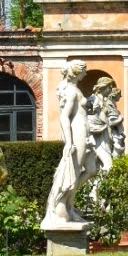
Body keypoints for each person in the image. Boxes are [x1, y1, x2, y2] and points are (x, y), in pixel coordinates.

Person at [42, 59, 92, 227]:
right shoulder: (70, 91)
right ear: (77, 71)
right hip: (77, 133)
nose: (86, 73)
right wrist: (69, 142)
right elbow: (64, 117)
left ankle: (69, 206)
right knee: (72, 171)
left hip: (83, 133)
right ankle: (62, 207)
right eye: (84, 70)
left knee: (87, 169)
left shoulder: (75, 89)